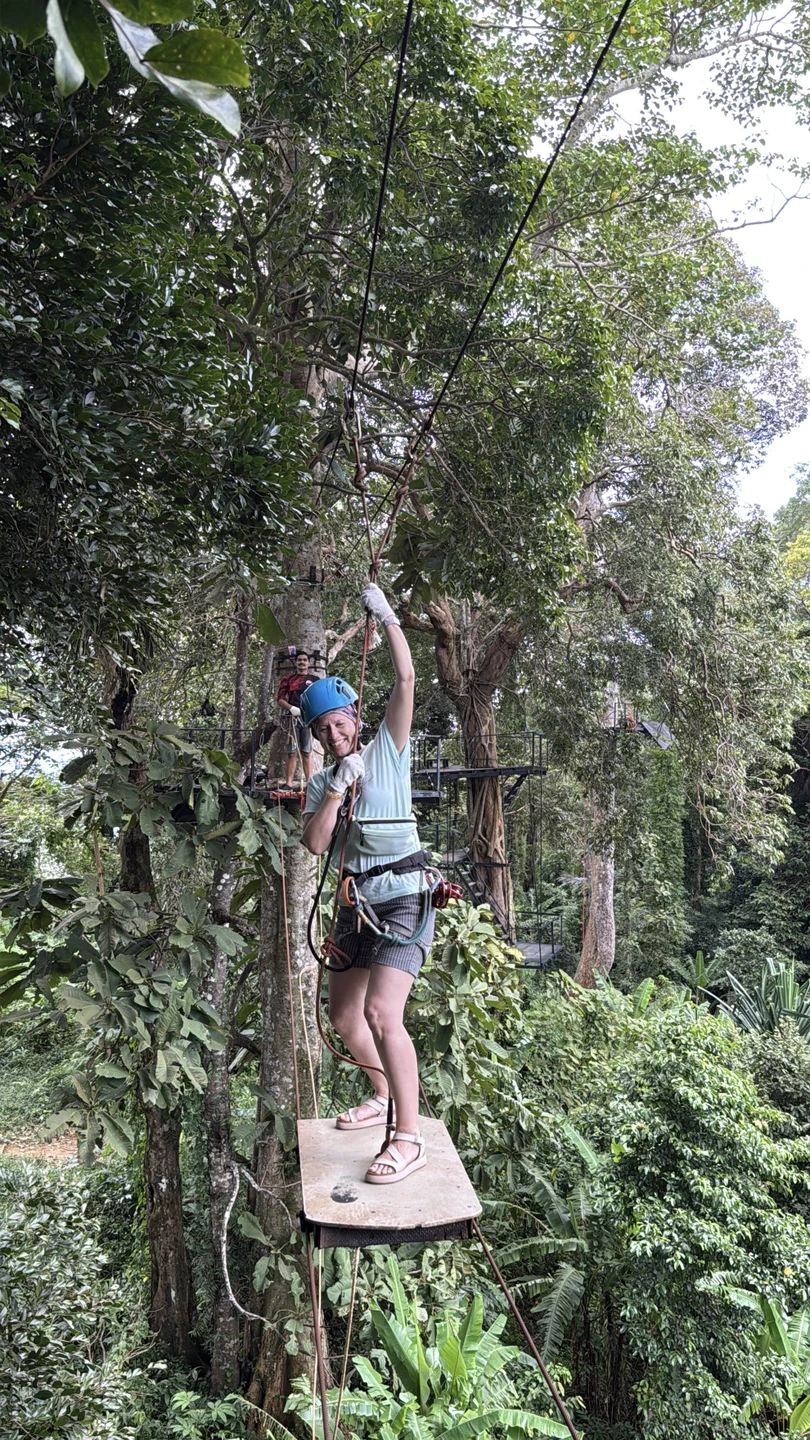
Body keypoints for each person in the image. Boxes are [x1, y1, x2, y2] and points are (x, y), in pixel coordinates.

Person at [300, 584, 432, 1185]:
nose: (334, 736)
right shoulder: (328, 775)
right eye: (323, 730)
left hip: (403, 891)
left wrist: (388, 618)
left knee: (383, 1013)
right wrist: (334, 785)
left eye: (340, 724)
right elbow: (315, 844)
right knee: (346, 1018)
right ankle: (383, 1096)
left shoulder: (388, 750)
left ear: (355, 718)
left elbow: (405, 679)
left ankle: (408, 1136)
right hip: (355, 902)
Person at [276, 650, 314, 789]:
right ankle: (289, 783)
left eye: (304, 660)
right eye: (299, 660)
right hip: (292, 718)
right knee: (292, 751)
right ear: (296, 662)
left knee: (307, 751)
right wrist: (291, 708)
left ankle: (310, 782)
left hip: (308, 719)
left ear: (308, 663)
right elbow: (280, 699)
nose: (302, 662)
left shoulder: (314, 680)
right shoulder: (288, 679)